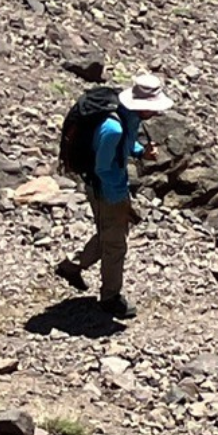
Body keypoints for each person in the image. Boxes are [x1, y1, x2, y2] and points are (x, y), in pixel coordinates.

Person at [54, 73, 173, 318]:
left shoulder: (126, 115)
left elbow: (126, 146)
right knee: (116, 244)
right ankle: (110, 297)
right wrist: (118, 197)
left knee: (110, 234)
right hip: (106, 191)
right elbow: (103, 167)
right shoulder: (113, 128)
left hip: (110, 188)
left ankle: (72, 266)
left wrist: (140, 152)